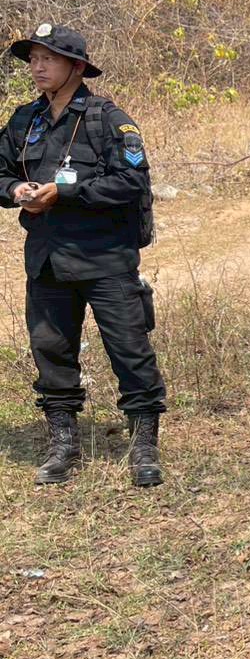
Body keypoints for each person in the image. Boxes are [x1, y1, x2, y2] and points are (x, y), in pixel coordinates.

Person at [0, 24, 165, 486]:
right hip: (47, 259)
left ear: (76, 67)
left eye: (48, 59)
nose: (37, 67)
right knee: (51, 351)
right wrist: (16, 190)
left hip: (105, 258)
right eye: (33, 59)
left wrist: (64, 193)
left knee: (130, 351)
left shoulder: (107, 120)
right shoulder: (24, 121)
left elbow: (132, 181)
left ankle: (143, 447)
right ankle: (63, 445)